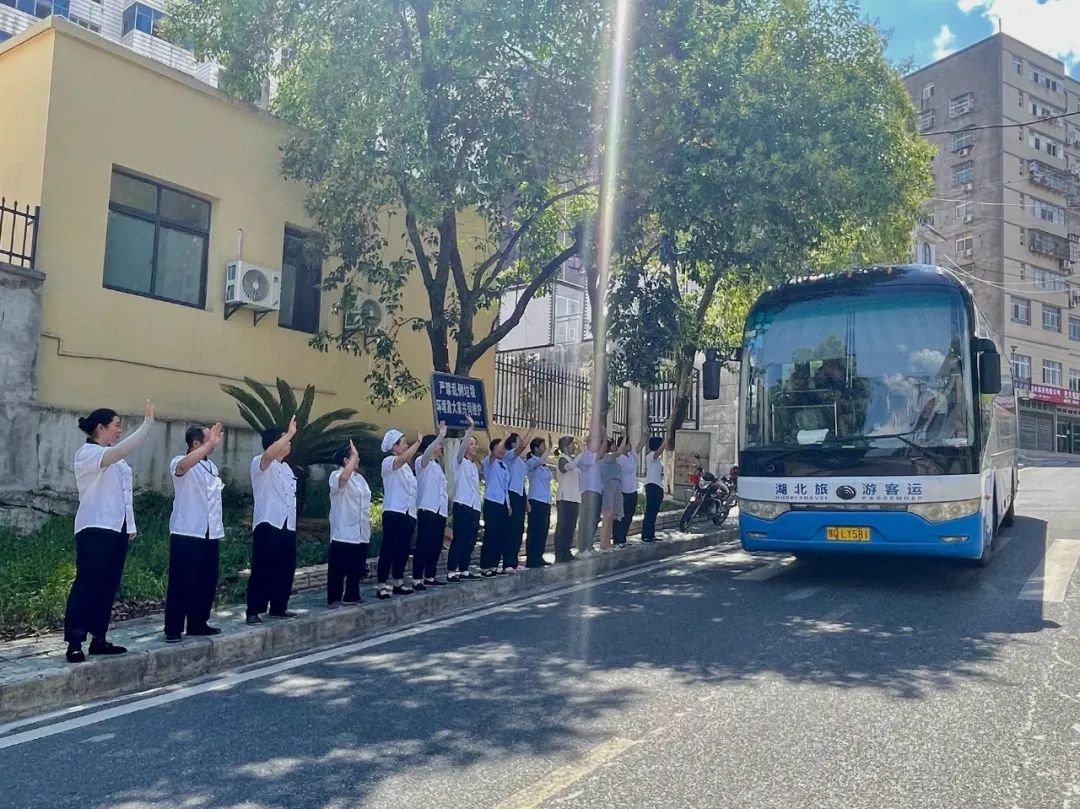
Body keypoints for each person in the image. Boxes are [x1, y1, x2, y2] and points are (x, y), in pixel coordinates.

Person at [64, 401, 155, 664]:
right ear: (101, 428)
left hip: (117, 528)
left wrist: (130, 526)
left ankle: (99, 638)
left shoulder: (116, 460)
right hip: (95, 527)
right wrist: (147, 426)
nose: (119, 430)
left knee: (108, 585)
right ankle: (75, 641)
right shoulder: (88, 453)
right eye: (116, 425)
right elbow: (120, 450)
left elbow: (124, 494)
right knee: (87, 583)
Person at [164, 422, 226, 643]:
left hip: (210, 532)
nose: (214, 443)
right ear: (196, 443)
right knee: (182, 581)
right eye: (209, 439)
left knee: (206, 581)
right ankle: (173, 628)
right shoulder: (181, 462)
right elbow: (183, 466)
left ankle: (198, 623)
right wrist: (208, 446)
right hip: (187, 532)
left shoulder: (212, 467)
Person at [247, 416, 299, 624]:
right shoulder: (261, 463)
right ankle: (254, 610)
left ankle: (279, 606)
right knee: (263, 567)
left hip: (287, 523)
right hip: (268, 522)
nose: (289, 443)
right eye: (285, 440)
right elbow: (268, 455)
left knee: (285, 567)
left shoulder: (287, 469)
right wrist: (289, 432)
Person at [378, 428, 423, 599]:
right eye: (403, 443)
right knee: (388, 549)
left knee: (403, 550)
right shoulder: (388, 462)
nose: (406, 446)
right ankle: (382, 585)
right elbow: (402, 459)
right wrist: (418, 443)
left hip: (408, 513)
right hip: (394, 511)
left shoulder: (407, 469)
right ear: (394, 447)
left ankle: (398, 581)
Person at [327, 440, 371, 608]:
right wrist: (354, 455)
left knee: (356, 566)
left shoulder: (360, 479)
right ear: (346, 460)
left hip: (361, 529)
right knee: (338, 567)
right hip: (343, 528)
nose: (358, 460)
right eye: (354, 457)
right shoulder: (336, 475)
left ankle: (352, 594)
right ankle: (334, 598)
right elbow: (344, 478)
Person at [413, 422, 449, 590]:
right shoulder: (422, 462)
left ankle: (430, 575)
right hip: (427, 509)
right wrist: (440, 436)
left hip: (439, 510)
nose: (440, 448)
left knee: (435, 545)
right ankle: (417, 578)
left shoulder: (437, 466)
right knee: (424, 544)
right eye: (438, 445)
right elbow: (427, 452)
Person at [447, 415, 481, 582]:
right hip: (462, 504)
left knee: (470, 539)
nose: (474, 447)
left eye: (475, 444)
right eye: (471, 444)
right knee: (460, 538)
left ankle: (464, 568)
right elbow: (461, 450)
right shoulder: (458, 461)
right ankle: (452, 570)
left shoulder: (474, 466)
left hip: (474, 506)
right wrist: (470, 429)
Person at [503, 428, 534, 573]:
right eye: (518, 440)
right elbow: (521, 447)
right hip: (511, 494)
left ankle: (514, 562)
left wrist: (526, 500)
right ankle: (507, 563)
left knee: (519, 529)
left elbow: (521, 481)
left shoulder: (521, 462)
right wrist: (531, 430)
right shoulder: (509, 456)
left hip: (520, 494)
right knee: (511, 529)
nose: (521, 443)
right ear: (513, 444)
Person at [479, 437, 512, 577]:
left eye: (504, 448)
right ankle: (485, 566)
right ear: (493, 450)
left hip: (502, 503)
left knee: (500, 535)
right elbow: (494, 453)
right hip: (492, 502)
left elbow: (505, 487)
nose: (502, 450)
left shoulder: (504, 465)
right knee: (490, 534)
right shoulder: (489, 462)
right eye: (500, 448)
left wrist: (508, 504)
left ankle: (494, 564)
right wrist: (505, 438)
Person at [575, 418, 605, 556]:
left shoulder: (594, 456)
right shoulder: (585, 455)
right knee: (586, 520)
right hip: (588, 491)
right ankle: (582, 548)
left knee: (594, 519)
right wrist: (604, 436)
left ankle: (589, 546)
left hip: (596, 491)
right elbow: (601, 452)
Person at [524, 435, 554, 568]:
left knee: (543, 530)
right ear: (536, 449)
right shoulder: (531, 462)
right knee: (534, 531)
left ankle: (539, 556)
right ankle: (532, 558)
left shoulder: (544, 465)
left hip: (545, 500)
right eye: (542, 446)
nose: (544, 448)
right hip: (535, 500)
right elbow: (538, 463)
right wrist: (549, 449)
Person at [552, 436, 581, 563]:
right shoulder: (562, 459)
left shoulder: (572, 460)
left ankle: (566, 551)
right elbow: (565, 468)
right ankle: (559, 553)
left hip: (574, 497)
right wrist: (581, 455)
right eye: (572, 444)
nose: (574, 446)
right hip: (565, 498)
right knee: (563, 526)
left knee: (571, 526)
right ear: (566, 447)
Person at [597, 439, 625, 551]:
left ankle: (608, 542)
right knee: (607, 515)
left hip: (615, 487)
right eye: (613, 444)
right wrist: (625, 437)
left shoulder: (612, 458)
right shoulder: (606, 457)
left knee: (612, 516)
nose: (615, 446)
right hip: (608, 487)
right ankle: (603, 542)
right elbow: (620, 451)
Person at [614, 438, 638, 547]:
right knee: (621, 517)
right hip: (623, 491)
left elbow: (639, 446)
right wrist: (624, 437)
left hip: (633, 490)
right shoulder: (619, 458)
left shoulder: (630, 456)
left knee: (629, 516)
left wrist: (644, 436)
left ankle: (623, 538)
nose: (630, 446)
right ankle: (618, 539)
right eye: (628, 444)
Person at [641, 436, 666, 543]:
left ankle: (651, 534)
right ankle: (646, 534)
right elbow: (658, 452)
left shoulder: (659, 460)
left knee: (654, 512)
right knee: (650, 511)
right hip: (652, 485)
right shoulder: (651, 456)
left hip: (658, 486)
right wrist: (666, 441)